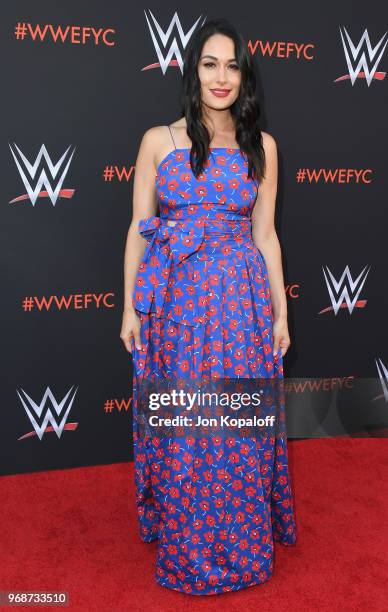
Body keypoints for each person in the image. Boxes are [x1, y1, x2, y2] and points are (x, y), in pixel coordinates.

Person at [120, 17, 297, 595]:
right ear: (192, 71)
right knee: (187, 423)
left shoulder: (261, 146)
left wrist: (281, 313)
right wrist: (130, 309)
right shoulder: (157, 141)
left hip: (241, 302)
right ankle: (187, 542)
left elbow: (266, 235)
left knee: (237, 423)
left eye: (232, 65)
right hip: (177, 302)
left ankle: (242, 548)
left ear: (245, 76)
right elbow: (140, 230)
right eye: (209, 63)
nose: (221, 77)